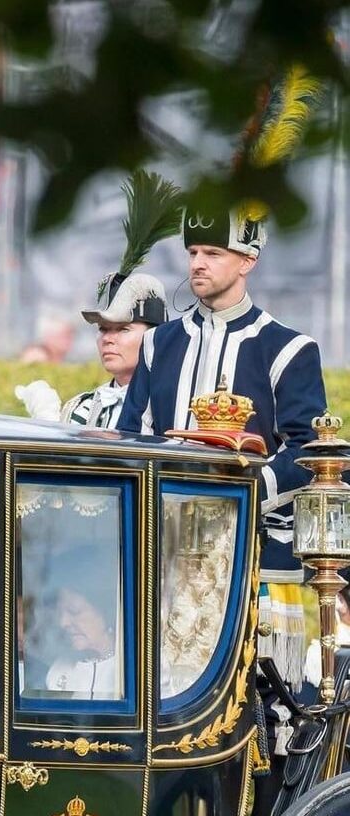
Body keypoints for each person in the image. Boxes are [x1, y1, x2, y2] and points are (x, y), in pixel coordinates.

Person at [117, 198, 327, 688]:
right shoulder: (157, 344)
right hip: (162, 550)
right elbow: (133, 437)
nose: (197, 264)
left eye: (212, 252)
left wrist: (241, 491)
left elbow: (307, 451)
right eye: (193, 252)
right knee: (156, 690)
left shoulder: (290, 348)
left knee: (268, 700)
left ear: (247, 261)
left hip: (258, 558)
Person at [16, 171, 180, 429]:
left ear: (155, 337)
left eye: (123, 329)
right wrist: (50, 427)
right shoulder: (81, 408)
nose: (108, 338)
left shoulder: (178, 407)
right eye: (104, 328)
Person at [44, 578, 119, 700]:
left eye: (74, 611)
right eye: (60, 613)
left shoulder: (132, 668)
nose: (63, 622)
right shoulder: (59, 669)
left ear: (105, 611)